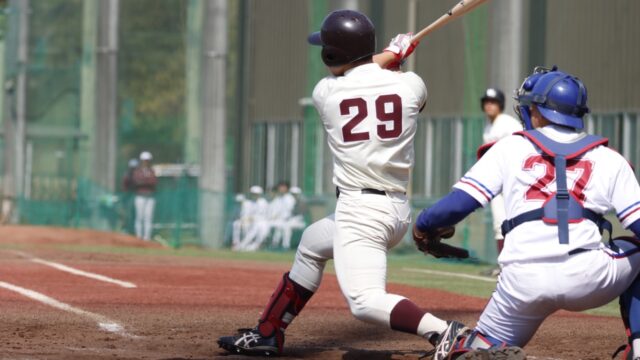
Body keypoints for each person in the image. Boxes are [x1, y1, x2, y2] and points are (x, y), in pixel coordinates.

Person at [218, 10, 467, 359]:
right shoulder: (412, 84)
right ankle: (268, 333)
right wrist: (394, 59)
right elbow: (382, 79)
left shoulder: (326, 93)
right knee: (312, 243)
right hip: (395, 210)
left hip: (360, 213)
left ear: (334, 54)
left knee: (364, 302)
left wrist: (393, 54)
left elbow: (362, 74)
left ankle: (445, 332)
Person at [412, 66, 640, 359]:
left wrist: (423, 224)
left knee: (480, 347)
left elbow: (458, 204)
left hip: (522, 282)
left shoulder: (510, 147)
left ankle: (478, 345)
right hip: (589, 276)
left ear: (539, 112)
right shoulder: (610, 158)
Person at [479, 88, 522, 276]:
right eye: (486, 101)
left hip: (512, 180)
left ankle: (513, 266)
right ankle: (503, 266)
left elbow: (523, 145)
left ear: (501, 105)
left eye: (493, 101)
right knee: (499, 224)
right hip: (497, 181)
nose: (489, 105)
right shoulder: (489, 126)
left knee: (514, 223)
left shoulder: (508, 123)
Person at [232, 186, 268, 250]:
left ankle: (244, 245)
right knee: (236, 223)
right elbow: (244, 214)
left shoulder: (263, 202)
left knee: (257, 227)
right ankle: (236, 243)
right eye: (253, 194)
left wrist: (251, 219)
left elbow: (262, 215)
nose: (255, 195)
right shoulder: (247, 202)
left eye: (256, 194)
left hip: (261, 221)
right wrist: (244, 219)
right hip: (248, 220)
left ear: (260, 194)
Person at [132, 151, 157, 240]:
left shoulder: (151, 171)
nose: (146, 162)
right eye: (144, 160)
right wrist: (146, 181)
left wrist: (144, 181)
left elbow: (153, 181)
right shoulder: (138, 171)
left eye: (147, 160)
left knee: (148, 217)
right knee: (140, 217)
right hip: (140, 196)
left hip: (150, 197)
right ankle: (139, 237)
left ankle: (147, 238)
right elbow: (136, 181)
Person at [269, 181, 298, 249]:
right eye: (280, 187)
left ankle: (285, 246)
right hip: (278, 220)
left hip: (290, 220)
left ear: (286, 188)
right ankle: (274, 244)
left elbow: (289, 212)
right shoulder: (278, 198)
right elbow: (275, 211)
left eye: (283, 187)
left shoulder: (290, 198)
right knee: (277, 227)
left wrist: (281, 218)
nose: (281, 189)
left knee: (284, 227)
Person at [121, 158, 139, 234]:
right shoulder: (127, 174)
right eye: (132, 168)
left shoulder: (138, 174)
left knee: (136, 214)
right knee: (127, 213)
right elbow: (124, 185)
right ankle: (126, 229)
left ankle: (133, 230)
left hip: (137, 195)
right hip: (128, 196)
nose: (133, 169)